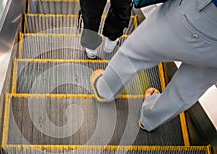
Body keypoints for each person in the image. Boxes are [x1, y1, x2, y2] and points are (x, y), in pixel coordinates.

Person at [90, 0, 217, 132]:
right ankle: (149, 120)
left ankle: (105, 90)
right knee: (187, 90)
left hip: (201, 15)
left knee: (133, 53)